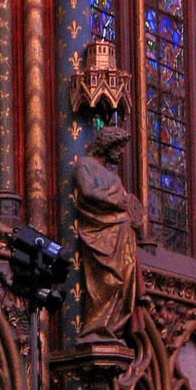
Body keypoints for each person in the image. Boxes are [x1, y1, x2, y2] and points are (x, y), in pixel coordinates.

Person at [74, 124, 145, 340]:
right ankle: (96, 328)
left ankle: (112, 328)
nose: (123, 152)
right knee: (108, 280)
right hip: (100, 233)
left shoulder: (114, 177)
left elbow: (130, 206)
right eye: (121, 147)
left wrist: (136, 221)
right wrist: (117, 203)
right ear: (109, 145)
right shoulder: (85, 165)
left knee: (124, 280)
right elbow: (87, 192)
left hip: (123, 238)